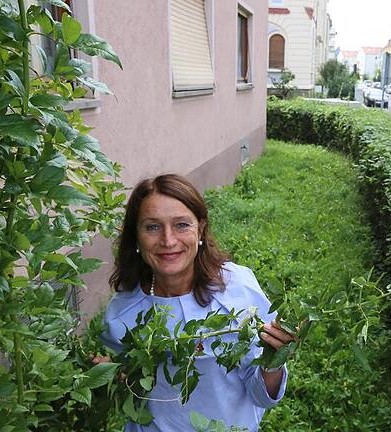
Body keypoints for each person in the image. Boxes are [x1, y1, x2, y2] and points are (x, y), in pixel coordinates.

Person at [100, 174, 294, 432]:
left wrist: (274, 359)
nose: (168, 241)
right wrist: (112, 375)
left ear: (200, 229)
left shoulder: (237, 289)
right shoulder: (122, 312)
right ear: (136, 236)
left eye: (181, 225)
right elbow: (137, 387)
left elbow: (261, 395)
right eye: (152, 227)